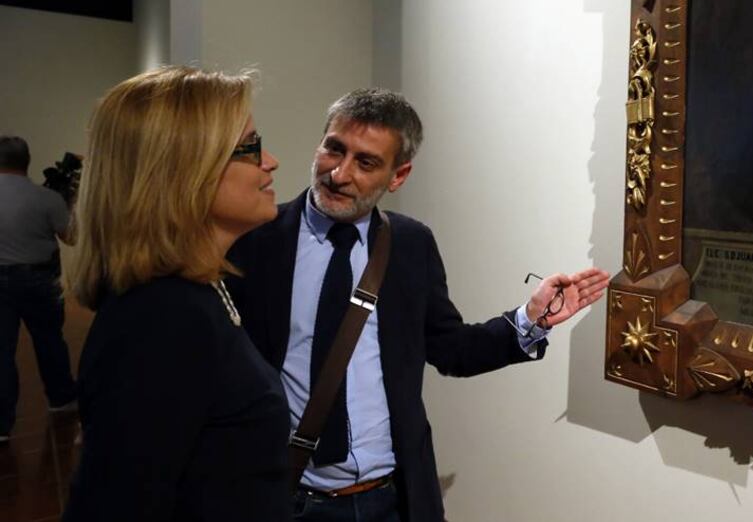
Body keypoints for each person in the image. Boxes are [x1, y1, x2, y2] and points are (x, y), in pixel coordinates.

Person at [226, 88, 609, 522]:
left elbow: (450, 349)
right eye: (334, 149)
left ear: (398, 175)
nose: (338, 173)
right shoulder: (255, 240)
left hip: (391, 500)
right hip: (284, 500)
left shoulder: (410, 245)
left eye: (365, 162)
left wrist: (529, 320)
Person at [62, 66, 292, 520]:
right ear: (182, 170)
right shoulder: (162, 319)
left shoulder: (200, 289)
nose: (271, 161)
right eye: (248, 148)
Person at [0, 136, 78, 442]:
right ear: (27, 161)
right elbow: (71, 237)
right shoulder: (46, 198)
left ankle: (2, 424)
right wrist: (68, 201)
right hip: (39, 280)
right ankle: (60, 399)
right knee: (50, 341)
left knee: (1, 351)